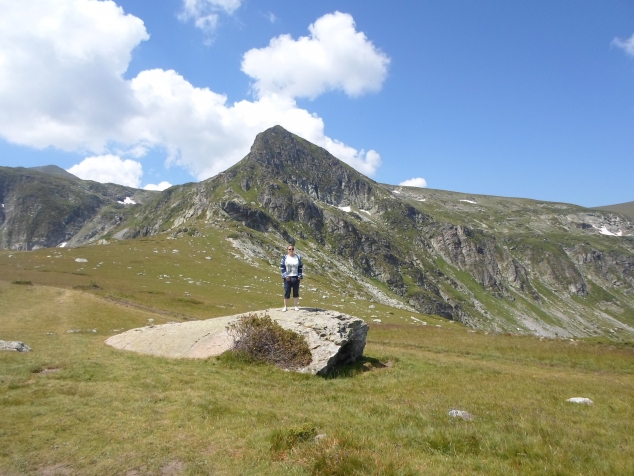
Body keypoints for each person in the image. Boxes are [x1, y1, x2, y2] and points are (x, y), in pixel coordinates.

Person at [280, 244, 303, 311]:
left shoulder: (298, 257)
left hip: (295, 277)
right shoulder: (284, 257)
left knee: (296, 291)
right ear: (287, 250)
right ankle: (285, 306)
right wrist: (285, 275)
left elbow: (300, 266)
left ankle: (296, 306)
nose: (291, 250)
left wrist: (299, 275)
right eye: (290, 249)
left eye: (292, 249)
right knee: (287, 291)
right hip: (287, 277)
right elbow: (282, 267)